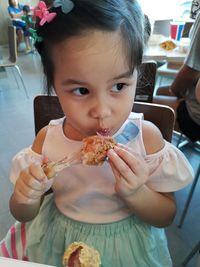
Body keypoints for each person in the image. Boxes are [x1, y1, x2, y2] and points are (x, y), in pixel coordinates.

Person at [0, 1, 193, 267]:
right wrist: (25, 196)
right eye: (81, 91)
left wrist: (137, 193)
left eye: (119, 85)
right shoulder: (48, 139)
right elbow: (22, 213)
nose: (102, 112)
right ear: (54, 85)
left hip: (126, 246)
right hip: (57, 241)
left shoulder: (146, 139)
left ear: (138, 74)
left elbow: (165, 216)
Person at [154, 10, 200, 142]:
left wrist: (175, 91)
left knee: (150, 105)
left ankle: (162, 156)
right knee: (161, 90)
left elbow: (190, 73)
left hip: (195, 118)